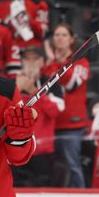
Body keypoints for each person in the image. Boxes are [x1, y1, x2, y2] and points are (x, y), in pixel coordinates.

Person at [44, 24, 89, 188]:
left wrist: (58, 62)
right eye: (56, 35)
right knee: (53, 167)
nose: (59, 38)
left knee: (72, 165)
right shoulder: (48, 63)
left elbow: (71, 83)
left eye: (63, 35)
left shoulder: (81, 62)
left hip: (72, 123)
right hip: (51, 123)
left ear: (71, 40)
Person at [10, 46, 62, 187]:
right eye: (27, 58)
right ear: (21, 61)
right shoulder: (10, 85)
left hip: (42, 151)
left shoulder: (52, 83)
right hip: (16, 148)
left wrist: (33, 90)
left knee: (43, 190)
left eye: (35, 58)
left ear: (42, 61)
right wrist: (18, 90)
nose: (31, 62)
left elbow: (56, 111)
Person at [0, 0, 49, 77]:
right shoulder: (2, 5)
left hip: (32, 55)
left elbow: (43, 33)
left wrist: (30, 21)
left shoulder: (37, 2)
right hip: (9, 57)